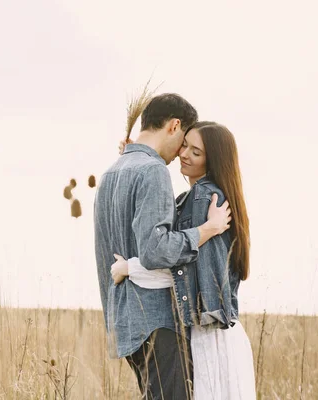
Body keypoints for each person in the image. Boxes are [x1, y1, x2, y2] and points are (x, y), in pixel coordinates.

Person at [93, 94, 232, 400]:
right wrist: (206, 230)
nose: (181, 153)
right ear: (174, 125)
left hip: (126, 323)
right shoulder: (152, 170)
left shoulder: (111, 173)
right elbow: (155, 251)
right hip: (158, 322)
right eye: (184, 142)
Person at [112, 121, 256, 399]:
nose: (185, 154)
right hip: (224, 334)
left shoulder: (204, 199)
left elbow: (183, 269)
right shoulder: (194, 197)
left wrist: (128, 268)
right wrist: (136, 153)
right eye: (185, 145)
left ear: (213, 160)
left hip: (212, 338)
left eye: (197, 152)